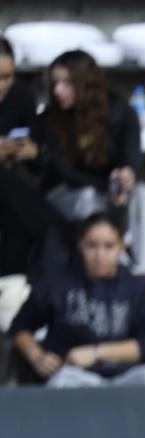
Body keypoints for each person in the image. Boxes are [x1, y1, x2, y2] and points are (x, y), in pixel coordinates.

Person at [31, 51, 145, 276]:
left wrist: (126, 178)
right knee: (88, 198)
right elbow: (67, 175)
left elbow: (133, 160)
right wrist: (108, 185)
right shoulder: (49, 119)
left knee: (143, 194)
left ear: (86, 84)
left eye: (67, 83)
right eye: (55, 83)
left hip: (109, 190)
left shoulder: (121, 112)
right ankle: (118, 270)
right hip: (67, 195)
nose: (58, 90)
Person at [7, 213, 145, 387]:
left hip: (126, 375)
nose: (100, 255)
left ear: (122, 247)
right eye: (92, 245)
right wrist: (37, 356)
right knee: (62, 384)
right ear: (80, 245)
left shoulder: (138, 288)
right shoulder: (58, 284)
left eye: (109, 246)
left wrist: (96, 353)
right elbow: (20, 327)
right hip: (74, 374)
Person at [0, 37, 56, 286]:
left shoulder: (20, 97)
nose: (2, 85)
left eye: (7, 77)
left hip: (15, 181)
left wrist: (33, 152)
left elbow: (38, 149)